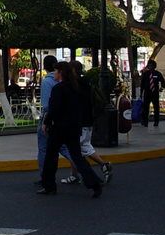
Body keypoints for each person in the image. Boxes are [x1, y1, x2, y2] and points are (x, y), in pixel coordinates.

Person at [38, 62, 103, 198]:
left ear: (61, 72)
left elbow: (54, 109)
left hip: (59, 128)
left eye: (55, 71)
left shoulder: (58, 89)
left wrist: (46, 123)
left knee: (51, 157)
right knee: (77, 157)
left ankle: (48, 185)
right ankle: (94, 183)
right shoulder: (76, 88)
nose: (54, 74)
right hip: (74, 127)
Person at [60, 60, 113, 185]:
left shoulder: (76, 86)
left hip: (80, 122)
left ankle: (103, 165)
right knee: (80, 148)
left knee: (78, 149)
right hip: (88, 120)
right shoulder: (87, 83)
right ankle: (74, 175)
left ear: (72, 71)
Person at [35, 55, 72, 186]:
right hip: (64, 118)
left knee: (44, 148)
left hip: (49, 119)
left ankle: (44, 176)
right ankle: (80, 167)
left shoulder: (47, 82)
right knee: (65, 148)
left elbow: (46, 106)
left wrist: (45, 122)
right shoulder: (65, 81)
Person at [139, 60, 165, 127]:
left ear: (154, 66)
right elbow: (142, 84)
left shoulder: (157, 74)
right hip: (147, 93)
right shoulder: (146, 74)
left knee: (156, 107)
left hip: (155, 92)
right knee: (145, 108)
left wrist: (162, 88)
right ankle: (145, 121)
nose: (150, 66)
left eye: (152, 65)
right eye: (149, 65)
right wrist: (141, 92)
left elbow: (163, 81)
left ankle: (156, 121)